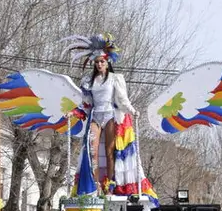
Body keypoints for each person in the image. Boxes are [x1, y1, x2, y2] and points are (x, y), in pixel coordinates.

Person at [64, 34, 156, 200]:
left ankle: (110, 185)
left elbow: (122, 100)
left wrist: (132, 110)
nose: (99, 64)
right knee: (92, 150)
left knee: (109, 151)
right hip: (96, 116)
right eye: (97, 62)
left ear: (107, 62)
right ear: (94, 63)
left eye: (102, 61)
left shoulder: (115, 79)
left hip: (110, 116)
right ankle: (95, 185)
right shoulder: (88, 81)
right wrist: (73, 113)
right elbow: (86, 103)